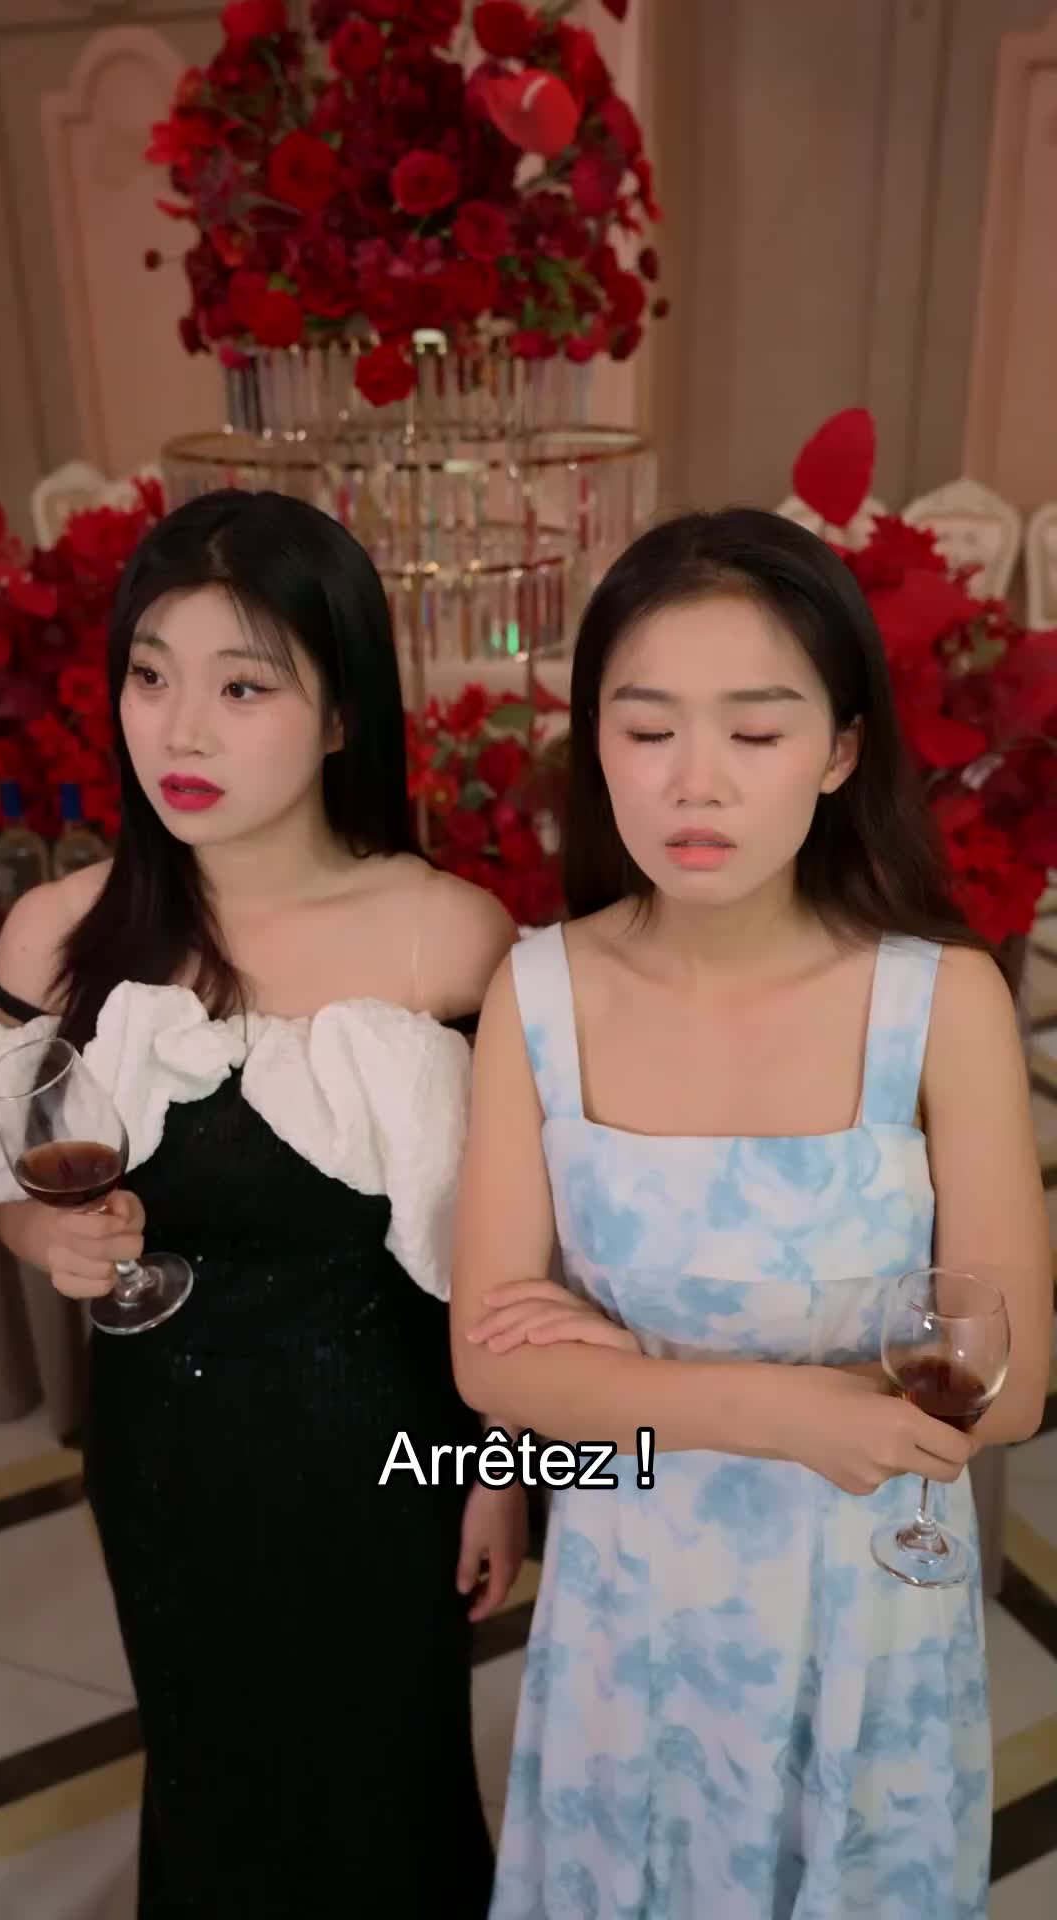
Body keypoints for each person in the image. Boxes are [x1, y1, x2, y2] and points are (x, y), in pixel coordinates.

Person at [450, 508, 1052, 1919]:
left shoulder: (940, 1002)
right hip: (629, 1600)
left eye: (757, 730)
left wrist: (624, 1378)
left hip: (867, 1606)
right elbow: (493, 1367)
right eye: (647, 728)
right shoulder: (537, 995)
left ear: (840, 751)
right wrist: (797, 1412)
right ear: (597, 743)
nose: (694, 781)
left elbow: (1011, 1385)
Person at [0, 490, 525, 1917]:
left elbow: (509, 1252)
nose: (181, 731)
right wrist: (51, 1240)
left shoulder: (450, 936)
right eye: (150, 676)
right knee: (211, 1774)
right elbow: (11, 1191)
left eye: (242, 687)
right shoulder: (61, 936)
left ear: (342, 715)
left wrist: (501, 1471)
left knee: (393, 1781)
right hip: (168, 1458)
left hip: (391, 1454)